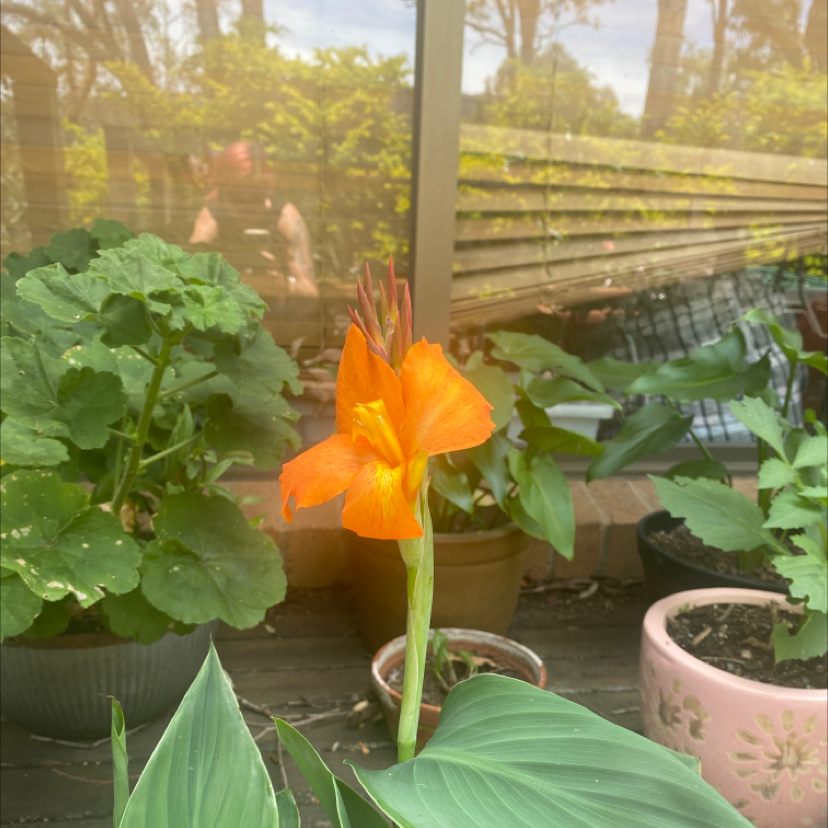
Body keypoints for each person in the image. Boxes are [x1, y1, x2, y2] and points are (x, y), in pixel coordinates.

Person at [188, 141, 318, 299]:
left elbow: (310, 293)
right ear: (222, 195)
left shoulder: (285, 216)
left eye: (257, 196)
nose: (248, 207)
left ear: (268, 189)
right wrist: (239, 281)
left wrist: (285, 285)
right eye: (237, 198)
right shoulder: (211, 217)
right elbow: (188, 281)